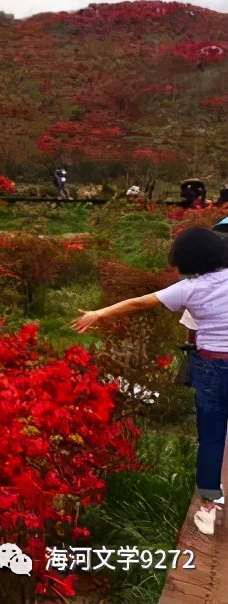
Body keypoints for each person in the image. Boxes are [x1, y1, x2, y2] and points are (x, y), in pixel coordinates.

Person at [72, 227, 228, 535]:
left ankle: (208, 508)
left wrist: (99, 313)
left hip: (211, 368)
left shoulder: (188, 289)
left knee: (211, 437)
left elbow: (139, 303)